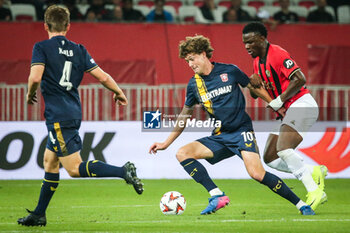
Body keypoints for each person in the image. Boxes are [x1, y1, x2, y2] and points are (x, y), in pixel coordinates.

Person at [149, 35, 315, 216]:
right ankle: (216, 195)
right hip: (220, 136)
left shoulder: (230, 71)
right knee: (182, 153)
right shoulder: (194, 85)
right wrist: (166, 143)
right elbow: (184, 116)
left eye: (192, 58)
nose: (190, 64)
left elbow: (254, 87)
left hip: (242, 132)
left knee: (257, 174)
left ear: (203, 54)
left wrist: (278, 106)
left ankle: (301, 205)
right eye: (187, 61)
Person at [17, 5, 143, 227]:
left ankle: (123, 171)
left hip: (58, 115)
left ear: (45, 25)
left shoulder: (42, 47)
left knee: (74, 168)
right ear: (68, 26)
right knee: (50, 161)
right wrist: (119, 92)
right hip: (73, 111)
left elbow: (35, 78)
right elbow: (103, 77)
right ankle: (38, 214)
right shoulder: (79, 49)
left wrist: (29, 95)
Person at [242, 22, 327, 212]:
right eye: (244, 43)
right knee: (270, 157)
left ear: (262, 39)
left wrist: (279, 100)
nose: (247, 47)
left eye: (250, 42)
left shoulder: (278, 53)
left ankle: (315, 192)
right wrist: (252, 85)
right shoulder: (257, 61)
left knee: (283, 148)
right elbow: (258, 92)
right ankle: (312, 172)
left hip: (302, 104)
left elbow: (300, 79)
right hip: (289, 109)